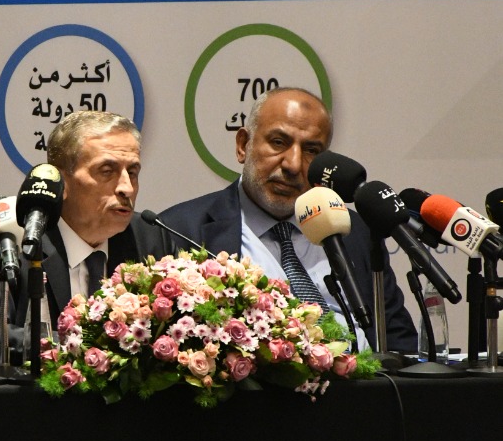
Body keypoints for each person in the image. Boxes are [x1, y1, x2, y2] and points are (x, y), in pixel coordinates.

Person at [159, 86, 417, 353]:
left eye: (311, 150)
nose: (293, 165)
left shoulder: (356, 231)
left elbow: (399, 341)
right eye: (278, 142)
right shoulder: (180, 231)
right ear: (243, 145)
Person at [0, 110, 176, 349]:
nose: (126, 188)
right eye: (107, 171)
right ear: (61, 183)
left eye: (132, 172)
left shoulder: (150, 236)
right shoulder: (11, 235)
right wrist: (79, 347)